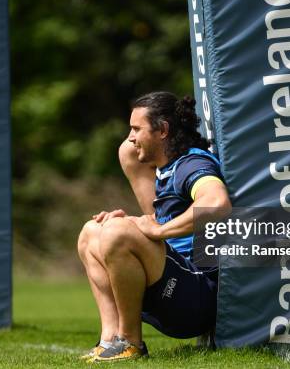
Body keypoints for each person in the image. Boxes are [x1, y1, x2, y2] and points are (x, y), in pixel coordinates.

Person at [76, 91, 231, 362]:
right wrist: (135, 224)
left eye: (136, 129)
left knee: (117, 232)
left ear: (162, 131)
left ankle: (131, 343)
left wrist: (156, 231)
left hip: (196, 296)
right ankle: (110, 339)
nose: (131, 137)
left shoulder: (190, 164)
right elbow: (153, 221)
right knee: (92, 232)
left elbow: (217, 203)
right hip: (175, 284)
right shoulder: (164, 167)